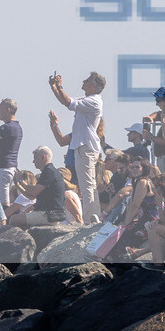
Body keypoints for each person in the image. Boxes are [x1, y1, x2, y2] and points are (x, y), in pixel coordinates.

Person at [49, 70, 106, 221]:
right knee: (88, 184)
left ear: (94, 86)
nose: (83, 82)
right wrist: (55, 88)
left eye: (87, 80)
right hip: (84, 147)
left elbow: (68, 102)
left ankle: (90, 219)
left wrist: (59, 86)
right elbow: (66, 102)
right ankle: (93, 216)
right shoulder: (89, 99)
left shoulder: (93, 100)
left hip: (86, 147)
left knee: (87, 185)